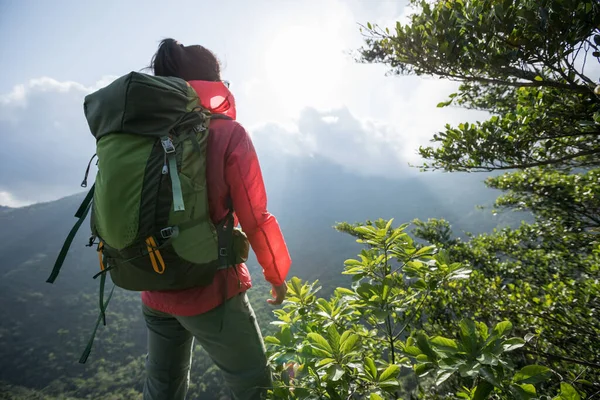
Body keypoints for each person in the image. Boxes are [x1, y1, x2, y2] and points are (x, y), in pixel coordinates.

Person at [140, 38, 292, 400]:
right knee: (257, 386)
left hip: (153, 286)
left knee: (162, 390)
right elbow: (254, 218)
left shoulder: (141, 134)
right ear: (213, 83)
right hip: (210, 290)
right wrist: (277, 276)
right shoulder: (226, 133)